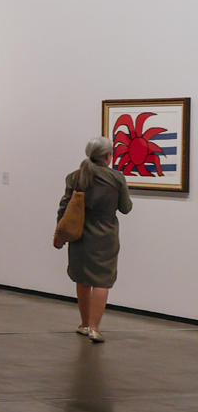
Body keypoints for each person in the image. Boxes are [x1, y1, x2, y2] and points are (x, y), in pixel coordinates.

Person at [60, 136, 132, 343]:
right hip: (105, 236)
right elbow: (126, 208)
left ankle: (84, 324)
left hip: (79, 234)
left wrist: (60, 233)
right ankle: (95, 328)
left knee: (83, 279)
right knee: (102, 281)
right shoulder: (116, 178)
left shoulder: (75, 177)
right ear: (109, 156)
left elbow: (64, 207)